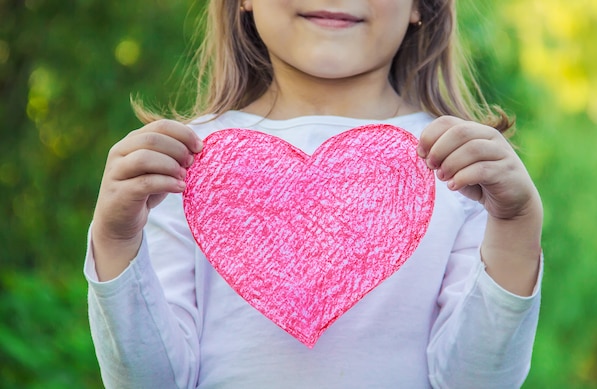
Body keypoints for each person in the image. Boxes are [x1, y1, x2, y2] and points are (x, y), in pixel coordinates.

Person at [85, 0, 543, 388]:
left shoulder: (463, 167)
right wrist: (116, 241)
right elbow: (153, 380)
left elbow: (477, 380)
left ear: (422, 6)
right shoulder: (184, 162)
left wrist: (516, 226)